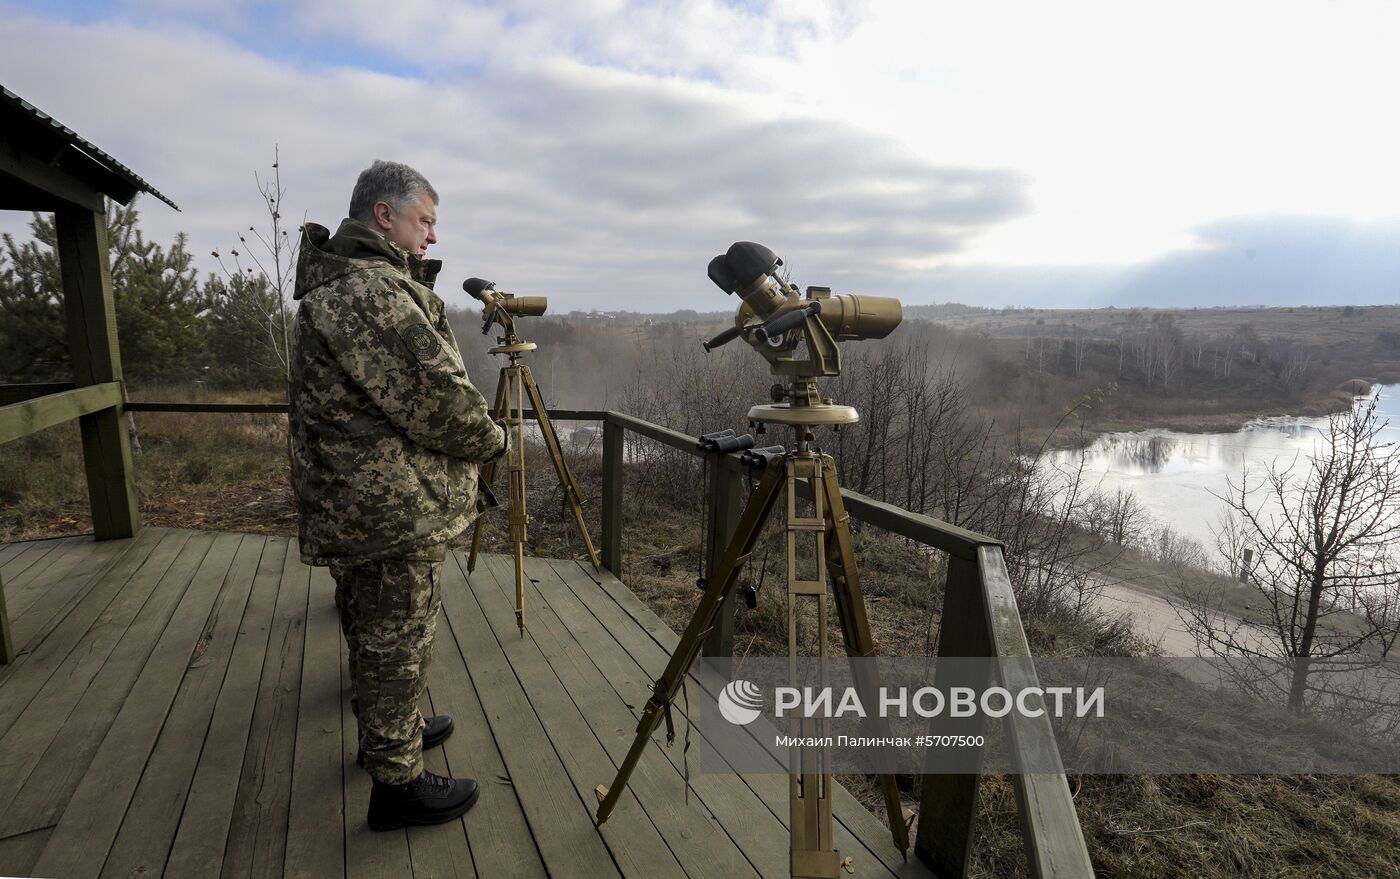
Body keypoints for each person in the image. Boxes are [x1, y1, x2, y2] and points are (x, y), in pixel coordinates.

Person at [288, 159, 507, 831]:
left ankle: (395, 729)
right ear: (385, 215)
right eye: (426, 220)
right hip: (388, 506)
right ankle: (397, 782)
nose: (432, 237)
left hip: (360, 495)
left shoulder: (342, 283)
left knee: (373, 625)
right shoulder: (371, 291)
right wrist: (493, 438)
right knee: (395, 638)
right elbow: (438, 398)